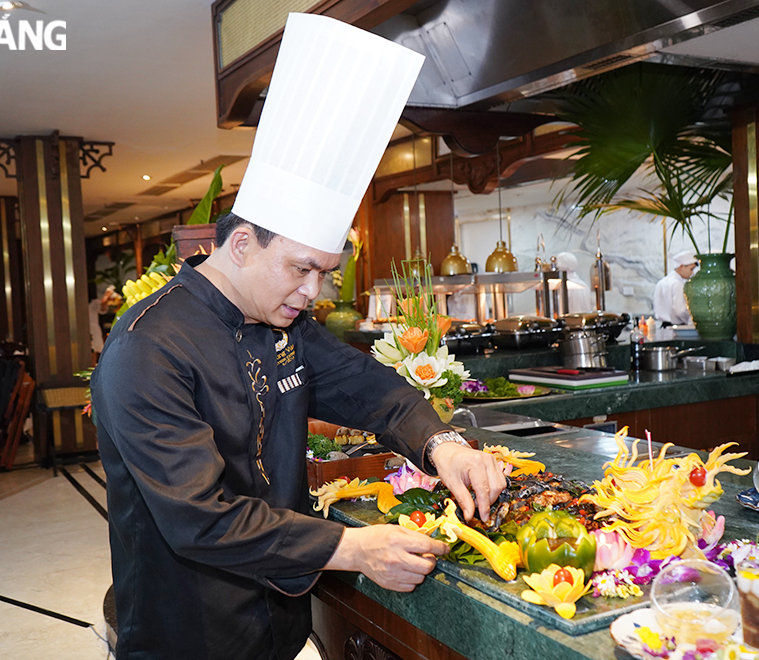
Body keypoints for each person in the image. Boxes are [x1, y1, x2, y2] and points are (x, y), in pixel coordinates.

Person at [91, 14, 505, 660]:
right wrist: (355, 549)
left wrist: (444, 447)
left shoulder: (288, 327)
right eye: (301, 268)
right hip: (188, 640)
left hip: (280, 634)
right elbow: (204, 518)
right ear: (242, 243)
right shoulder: (147, 351)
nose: (313, 292)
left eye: (324, 273)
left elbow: (376, 392)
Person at [653, 250, 698, 326]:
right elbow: (680, 311)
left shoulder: (662, 282)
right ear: (681, 266)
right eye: (691, 269)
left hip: (663, 326)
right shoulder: (677, 284)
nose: (692, 273)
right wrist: (691, 322)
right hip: (676, 328)